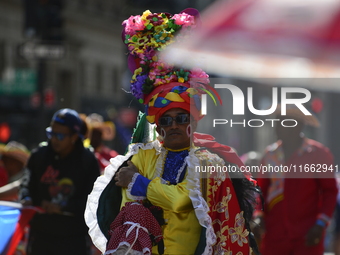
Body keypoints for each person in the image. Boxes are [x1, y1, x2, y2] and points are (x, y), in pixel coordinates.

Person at [85, 9, 260, 255]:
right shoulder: (145, 156)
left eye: (181, 118)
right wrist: (143, 188)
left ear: (194, 123)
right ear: (159, 126)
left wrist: (139, 183)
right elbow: (131, 205)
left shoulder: (207, 162)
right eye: (167, 120)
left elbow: (181, 199)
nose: (174, 125)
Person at [254, 105, 338, 255]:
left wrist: (320, 224)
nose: (278, 127)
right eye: (277, 122)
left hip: (307, 235)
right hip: (275, 236)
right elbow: (260, 191)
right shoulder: (269, 155)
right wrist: (258, 216)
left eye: (284, 122)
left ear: (298, 125)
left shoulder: (318, 154)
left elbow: (330, 192)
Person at [20, 108, 101, 255]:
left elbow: (93, 200)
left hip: (73, 240)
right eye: (51, 134)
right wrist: (26, 198)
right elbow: (26, 183)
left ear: (74, 137)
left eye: (60, 136)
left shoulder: (87, 161)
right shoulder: (39, 155)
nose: (54, 139)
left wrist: (64, 207)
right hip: (40, 237)